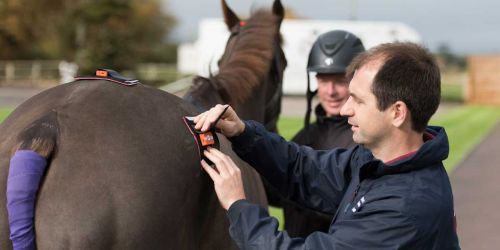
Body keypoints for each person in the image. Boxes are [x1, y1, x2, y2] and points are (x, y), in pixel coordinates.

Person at [194, 42, 460, 249]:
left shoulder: (404, 208)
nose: (345, 109)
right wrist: (243, 132)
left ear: (397, 112)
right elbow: (303, 170)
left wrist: (238, 205)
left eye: (358, 100)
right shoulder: (376, 162)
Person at [285, 30, 365, 237]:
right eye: (323, 80)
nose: (330, 91)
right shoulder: (304, 136)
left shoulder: (366, 140)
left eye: (340, 80)